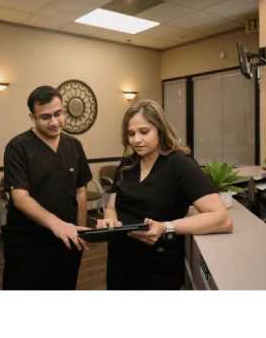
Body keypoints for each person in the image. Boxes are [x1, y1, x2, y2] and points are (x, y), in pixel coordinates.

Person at [98, 99, 233, 290]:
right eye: (131, 133)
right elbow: (112, 206)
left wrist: (165, 227)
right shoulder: (127, 164)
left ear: (160, 130)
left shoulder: (179, 164)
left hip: (158, 266)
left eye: (144, 131)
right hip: (120, 261)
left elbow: (222, 219)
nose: (136, 140)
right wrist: (110, 220)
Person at [2, 85, 92, 290]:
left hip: (68, 239)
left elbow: (80, 191)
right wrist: (57, 224)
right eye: (45, 117)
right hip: (28, 243)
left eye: (58, 114)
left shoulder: (74, 145)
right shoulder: (17, 147)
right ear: (32, 117)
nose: (54, 122)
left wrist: (81, 231)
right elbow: (20, 198)